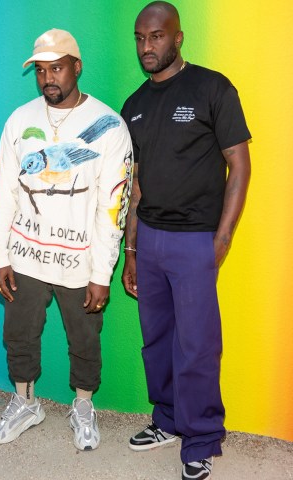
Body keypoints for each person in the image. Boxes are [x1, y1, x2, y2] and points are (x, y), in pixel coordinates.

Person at [121, 2, 251, 479]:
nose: (146, 46)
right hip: (150, 238)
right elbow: (135, 184)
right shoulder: (133, 106)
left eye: (156, 36)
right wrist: (131, 250)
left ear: (178, 37)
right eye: (139, 37)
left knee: (196, 345)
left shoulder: (211, 87)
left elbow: (239, 163)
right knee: (156, 340)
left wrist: (223, 236)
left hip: (196, 239)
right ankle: (168, 419)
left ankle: (200, 439)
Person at [0, 28, 133, 451]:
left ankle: (83, 406)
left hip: (80, 261)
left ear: (77, 67)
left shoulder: (110, 127)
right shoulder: (19, 120)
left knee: (85, 338)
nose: (49, 78)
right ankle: (25, 402)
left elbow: (113, 205)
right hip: (25, 255)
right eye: (41, 70)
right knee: (18, 333)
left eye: (57, 68)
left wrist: (102, 271)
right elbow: (3, 191)